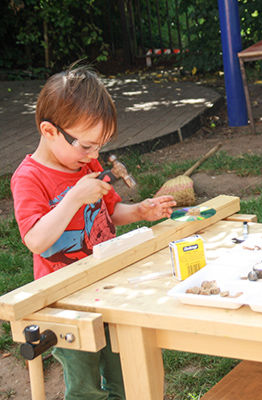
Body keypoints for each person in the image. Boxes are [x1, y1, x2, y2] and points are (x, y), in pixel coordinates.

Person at [11, 65, 176, 399]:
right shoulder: (29, 178)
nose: (94, 155)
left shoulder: (86, 165)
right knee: (85, 387)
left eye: (99, 146)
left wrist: (139, 211)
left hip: (108, 287)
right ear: (49, 130)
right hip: (64, 300)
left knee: (126, 373)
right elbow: (35, 240)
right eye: (86, 145)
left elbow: (109, 213)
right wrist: (73, 198)